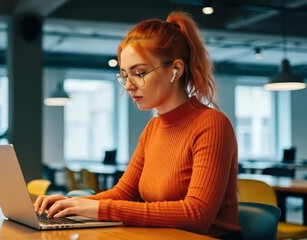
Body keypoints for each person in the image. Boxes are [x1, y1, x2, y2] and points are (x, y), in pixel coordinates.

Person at [34, 11, 241, 239]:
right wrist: (71, 203)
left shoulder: (212, 124)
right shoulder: (153, 129)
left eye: (139, 73)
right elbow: (124, 192)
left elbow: (196, 214)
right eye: (124, 75)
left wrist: (98, 209)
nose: (128, 86)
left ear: (176, 70)